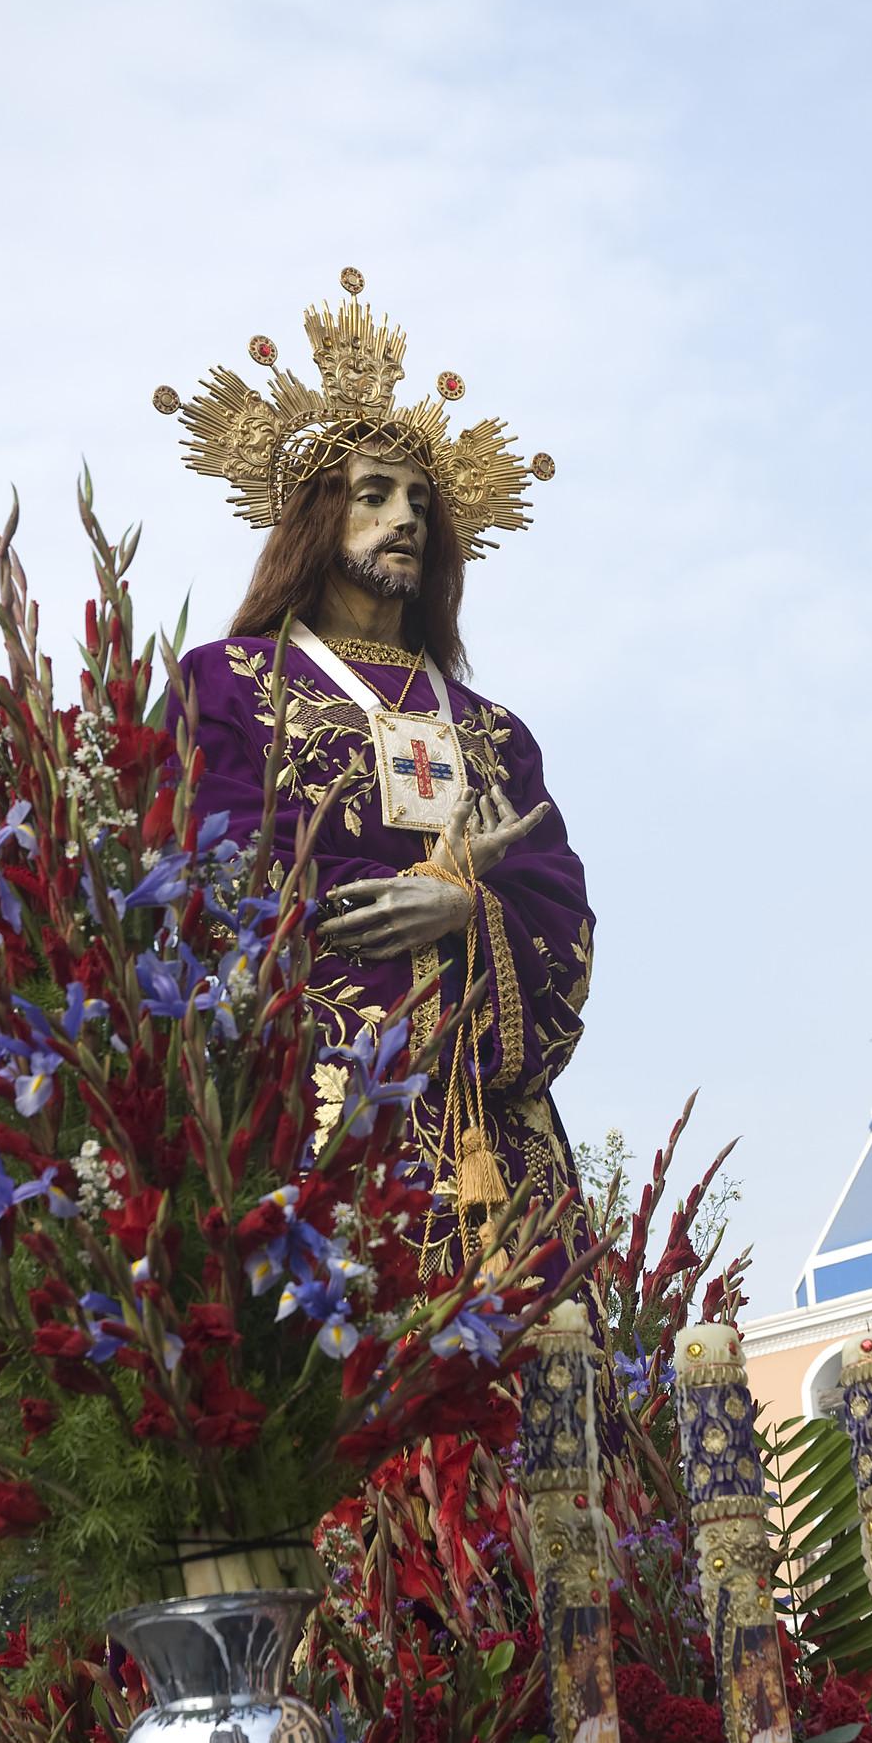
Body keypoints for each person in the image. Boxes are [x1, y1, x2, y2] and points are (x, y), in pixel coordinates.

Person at [157, 270, 594, 1284]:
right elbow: (201, 865)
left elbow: (561, 908)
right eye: (372, 493)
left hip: (500, 1135)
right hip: (318, 1114)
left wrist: (464, 901)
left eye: (418, 500)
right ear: (316, 518)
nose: (404, 516)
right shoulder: (228, 685)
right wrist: (397, 894)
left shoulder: (493, 732)